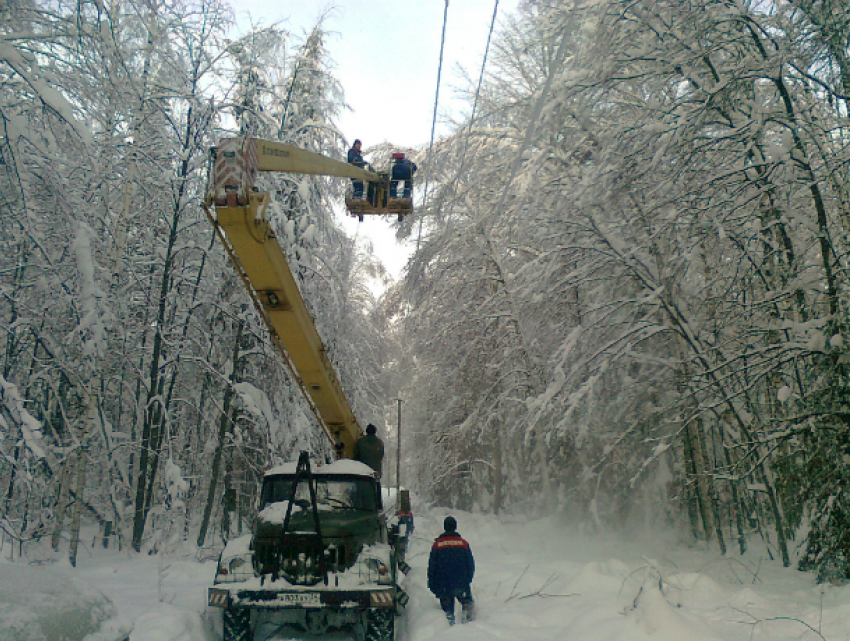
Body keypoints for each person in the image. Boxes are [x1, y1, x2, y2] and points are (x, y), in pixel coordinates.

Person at [427, 516, 475, 625]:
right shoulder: (463, 544)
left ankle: (449, 629)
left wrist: (432, 584)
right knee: (467, 603)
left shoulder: (437, 545)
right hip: (461, 584)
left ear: (444, 527)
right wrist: (467, 580)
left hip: (443, 585)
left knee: (447, 613)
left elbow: (432, 566)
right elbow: (470, 565)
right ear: (455, 527)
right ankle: (470, 626)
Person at [353, 423, 385, 506]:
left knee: (361, 496)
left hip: (362, 474)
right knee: (375, 494)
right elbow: (381, 456)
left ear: (366, 431)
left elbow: (355, 456)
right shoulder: (380, 443)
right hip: (375, 474)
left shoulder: (360, 442)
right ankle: (377, 507)